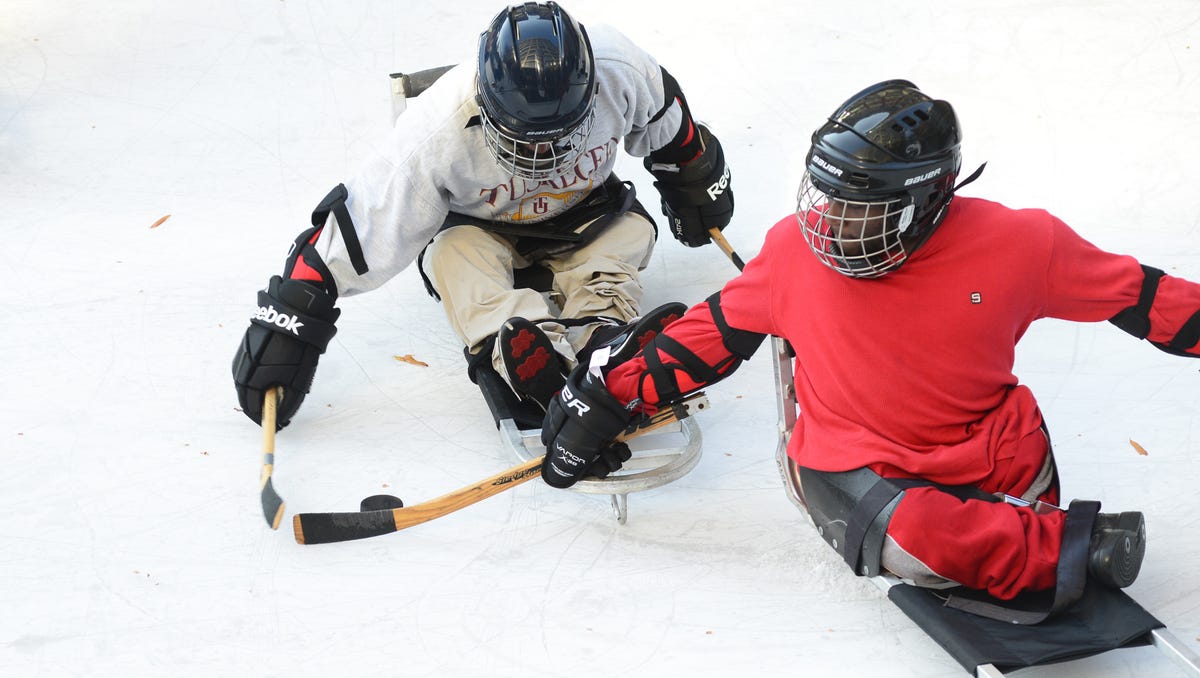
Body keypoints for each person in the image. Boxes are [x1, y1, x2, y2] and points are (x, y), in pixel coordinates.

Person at [538, 79, 1200, 606]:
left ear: (930, 199)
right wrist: (605, 397)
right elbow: (701, 341)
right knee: (914, 538)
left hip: (984, 446)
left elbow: (1142, 298)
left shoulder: (1022, 245)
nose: (833, 225)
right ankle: (1070, 548)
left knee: (991, 484)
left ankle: (1023, 541)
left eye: (861, 209)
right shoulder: (795, 252)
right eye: (827, 198)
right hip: (859, 466)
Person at [232, 2, 733, 431]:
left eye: (558, 134)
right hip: (481, 226)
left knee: (628, 233)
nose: (541, 155)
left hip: (588, 214)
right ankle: (521, 345)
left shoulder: (620, 67)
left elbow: (670, 121)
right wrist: (291, 320)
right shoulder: (434, 130)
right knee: (452, 257)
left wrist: (693, 178)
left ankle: (601, 334)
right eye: (524, 137)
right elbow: (359, 226)